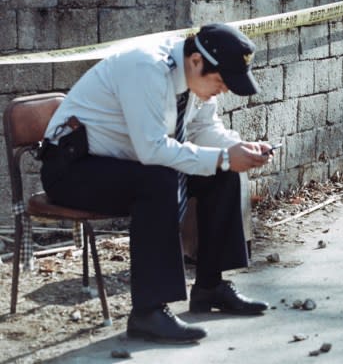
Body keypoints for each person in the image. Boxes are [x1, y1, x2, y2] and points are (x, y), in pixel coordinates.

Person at [39, 23, 274, 344]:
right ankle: (148, 313)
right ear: (195, 61)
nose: (225, 90)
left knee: (223, 171)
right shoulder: (146, 68)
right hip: (70, 168)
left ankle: (210, 287)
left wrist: (238, 148)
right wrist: (222, 156)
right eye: (221, 81)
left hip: (124, 163)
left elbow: (205, 130)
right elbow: (152, 150)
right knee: (159, 179)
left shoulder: (195, 76)